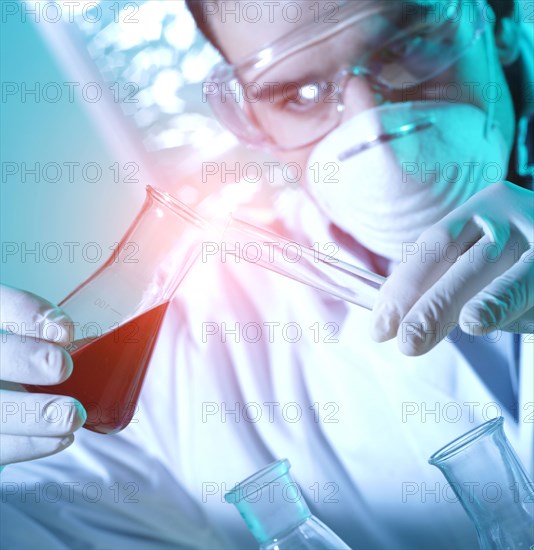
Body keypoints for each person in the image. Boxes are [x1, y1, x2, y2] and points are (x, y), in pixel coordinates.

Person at [1, 0, 532, 548]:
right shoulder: (195, 344)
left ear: (501, 20)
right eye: (300, 93)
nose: (369, 117)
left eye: (405, 45)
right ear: (250, 116)